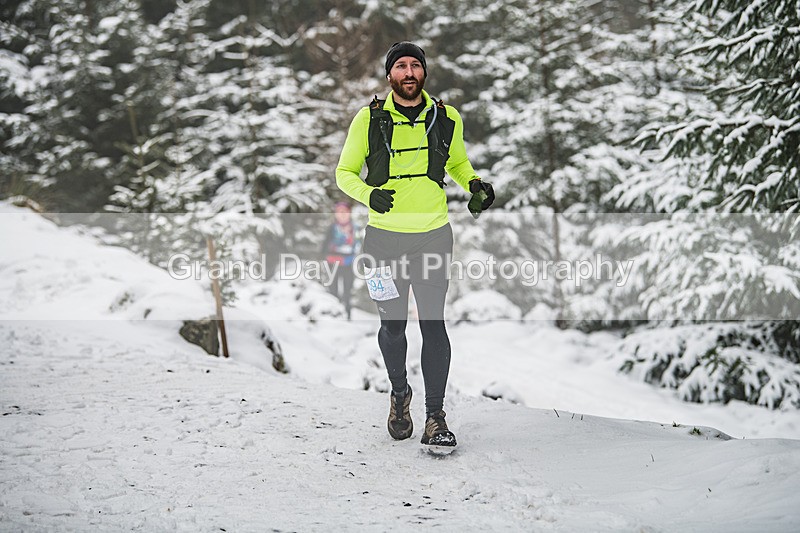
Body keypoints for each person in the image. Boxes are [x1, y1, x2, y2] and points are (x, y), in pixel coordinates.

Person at [335, 41, 495, 449]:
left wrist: (474, 184)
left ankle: (435, 418)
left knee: (433, 326)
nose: (409, 73)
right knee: (391, 327)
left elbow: (457, 163)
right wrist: (369, 196)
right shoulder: (368, 119)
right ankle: (400, 393)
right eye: (401, 66)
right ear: (390, 75)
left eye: (415, 66)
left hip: (432, 237)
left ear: (424, 73)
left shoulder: (445, 116)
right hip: (382, 241)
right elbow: (344, 173)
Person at [321, 201, 361, 319]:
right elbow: (325, 245)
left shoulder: (355, 228)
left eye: (344, 212)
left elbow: (358, 245)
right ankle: (334, 314)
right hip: (332, 263)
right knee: (332, 289)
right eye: (338, 212)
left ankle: (347, 315)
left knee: (347, 291)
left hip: (348, 263)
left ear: (349, 213)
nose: (341, 214)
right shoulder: (332, 228)